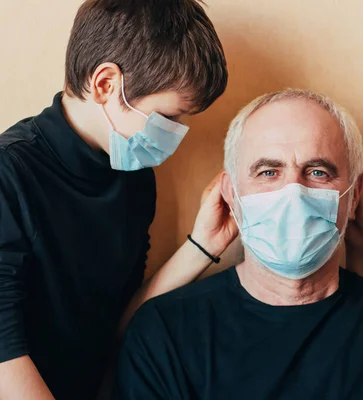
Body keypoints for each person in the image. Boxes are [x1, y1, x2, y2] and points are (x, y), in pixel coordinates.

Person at [114, 89, 363, 400]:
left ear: (354, 198)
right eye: (268, 172)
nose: (293, 193)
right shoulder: (164, 335)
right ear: (231, 195)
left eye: (318, 172)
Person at [0, 1, 234, 398]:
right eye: (171, 117)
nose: (178, 134)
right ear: (106, 83)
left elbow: (121, 320)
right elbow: (5, 358)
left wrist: (203, 246)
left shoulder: (134, 177)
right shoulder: (10, 175)